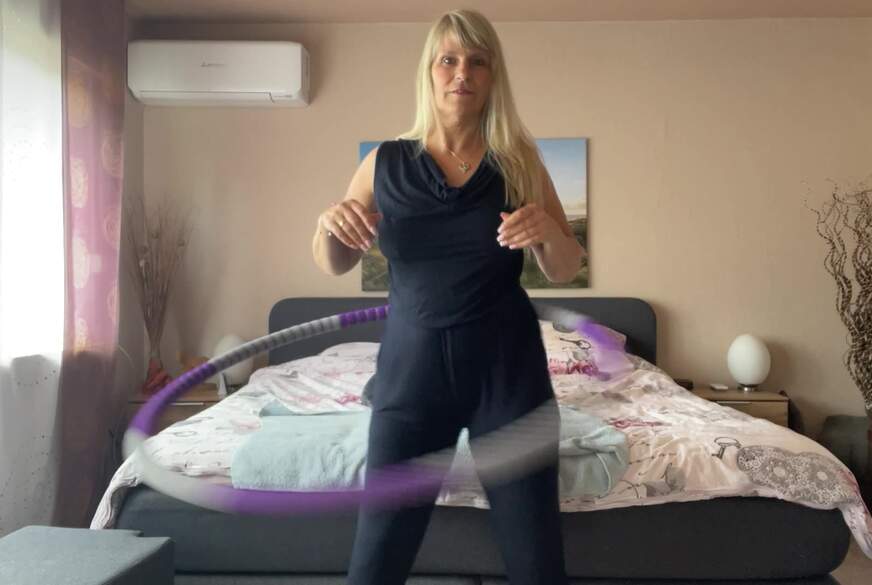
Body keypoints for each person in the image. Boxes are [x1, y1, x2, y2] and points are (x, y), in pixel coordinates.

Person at [312, 9, 584, 585]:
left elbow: (564, 268)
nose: (463, 73)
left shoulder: (519, 161)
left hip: (510, 382)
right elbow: (334, 261)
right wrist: (328, 226)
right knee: (373, 568)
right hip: (410, 384)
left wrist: (547, 232)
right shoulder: (384, 162)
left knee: (538, 568)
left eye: (477, 62)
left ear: (492, 76)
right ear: (429, 72)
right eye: (449, 60)